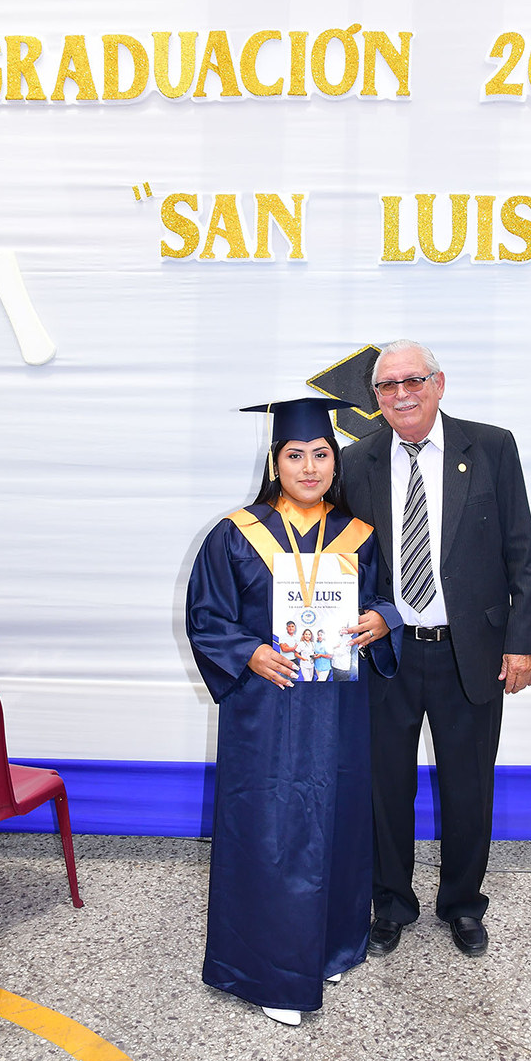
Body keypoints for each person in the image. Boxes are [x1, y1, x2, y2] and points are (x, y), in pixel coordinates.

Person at [184, 397, 402, 1025]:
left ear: (336, 462)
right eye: (295, 455)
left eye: (321, 455)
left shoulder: (360, 535)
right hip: (266, 712)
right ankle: (270, 973)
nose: (310, 467)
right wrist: (248, 652)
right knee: (270, 830)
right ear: (275, 462)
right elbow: (207, 618)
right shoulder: (234, 534)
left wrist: (380, 621)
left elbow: (387, 601)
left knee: (336, 819)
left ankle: (329, 945)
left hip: (337, 709)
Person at [340, 340, 531, 959]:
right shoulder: (355, 461)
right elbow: (340, 557)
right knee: (385, 789)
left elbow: (521, 547)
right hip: (387, 654)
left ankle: (462, 904)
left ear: (439, 383)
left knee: (468, 787)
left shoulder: (491, 447)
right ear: (375, 397)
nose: (401, 394)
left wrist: (523, 642)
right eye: (387, 386)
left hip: (470, 651)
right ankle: (390, 903)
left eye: (413, 380)